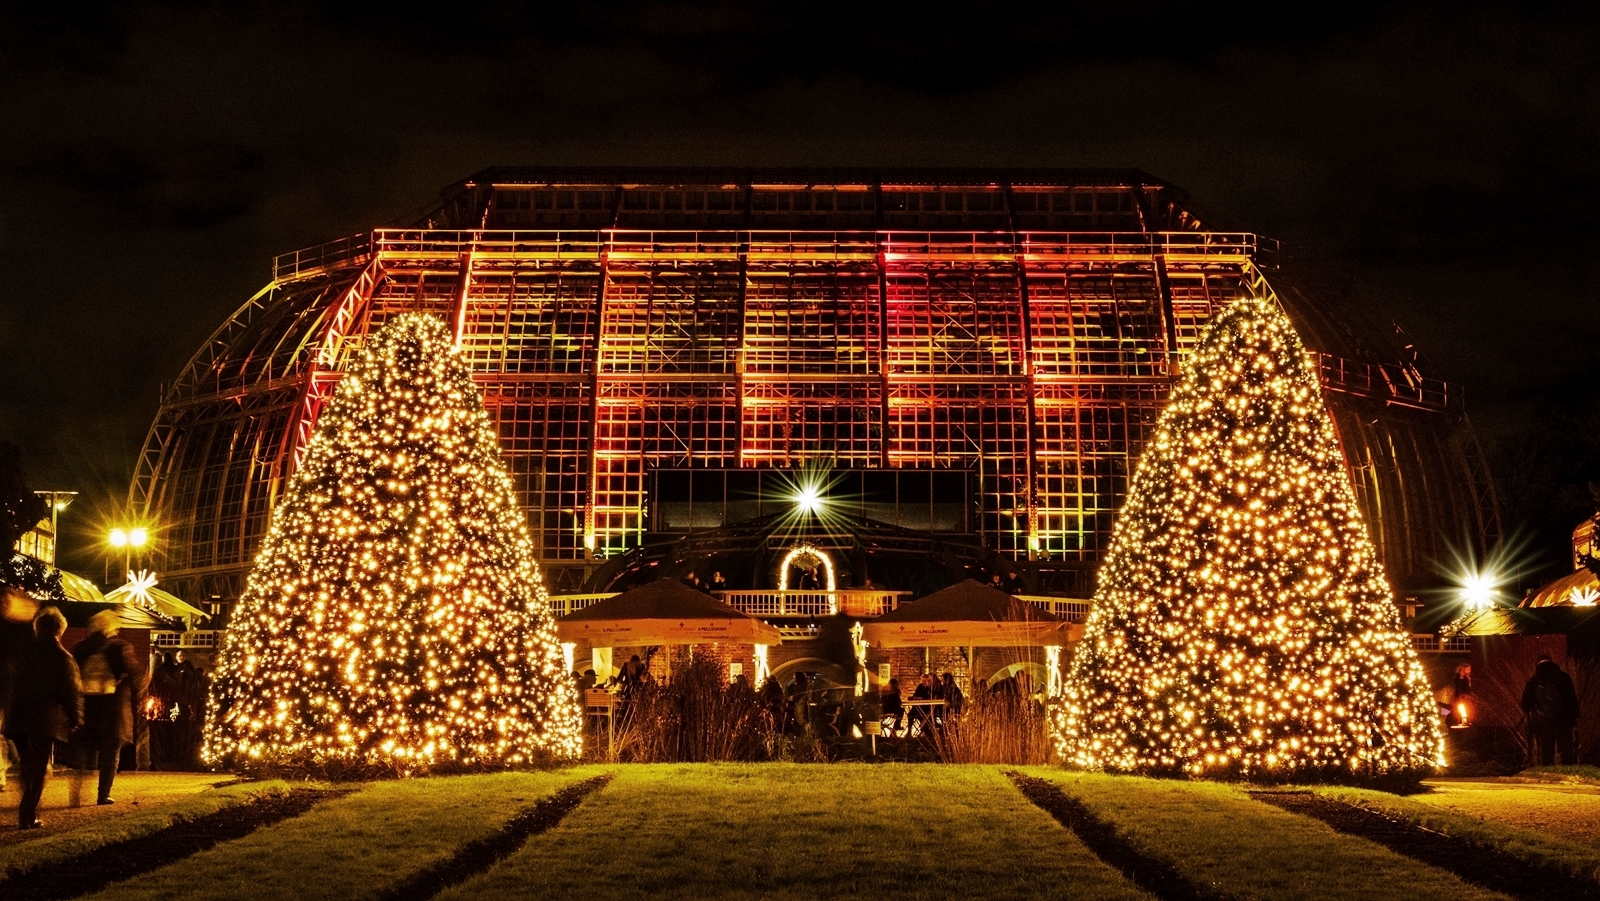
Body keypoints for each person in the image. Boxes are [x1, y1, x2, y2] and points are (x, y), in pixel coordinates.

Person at [3, 607, 81, 829]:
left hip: (18, 719)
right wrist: (76, 719)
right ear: (60, 629)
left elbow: (9, 685)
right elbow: (71, 691)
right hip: (43, 721)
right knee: (38, 769)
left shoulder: (21, 654)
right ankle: (27, 814)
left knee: (28, 765)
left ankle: (27, 809)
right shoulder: (62, 657)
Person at [72, 610, 147, 804]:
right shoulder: (120, 648)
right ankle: (103, 794)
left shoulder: (80, 649)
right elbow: (136, 676)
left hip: (86, 705)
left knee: (84, 750)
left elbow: (71, 676)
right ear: (110, 627)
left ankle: (77, 791)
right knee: (110, 752)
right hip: (112, 708)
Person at [1521, 653, 1580, 766]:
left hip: (1544, 722)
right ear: (1551, 662)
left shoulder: (1535, 681)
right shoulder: (1563, 677)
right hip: (1564, 720)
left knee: (1547, 751)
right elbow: (1571, 698)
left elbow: (1525, 704)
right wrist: (1574, 717)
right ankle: (1569, 772)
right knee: (1566, 750)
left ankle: (1548, 772)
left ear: (1538, 664)